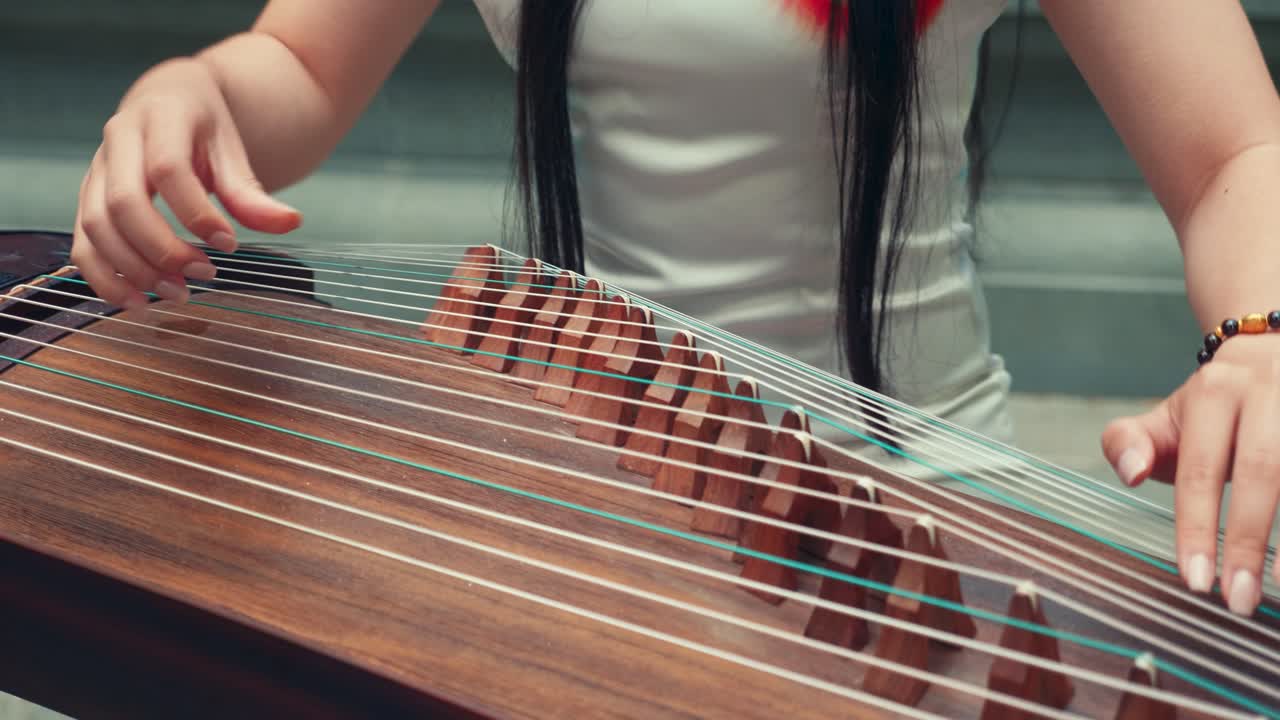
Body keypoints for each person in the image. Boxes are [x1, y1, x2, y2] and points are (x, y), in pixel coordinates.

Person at [69, 0, 1279, 617]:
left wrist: (1259, 338)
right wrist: (195, 91)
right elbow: (301, 68)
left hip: (916, 511)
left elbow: (1234, 148)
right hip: (592, 499)